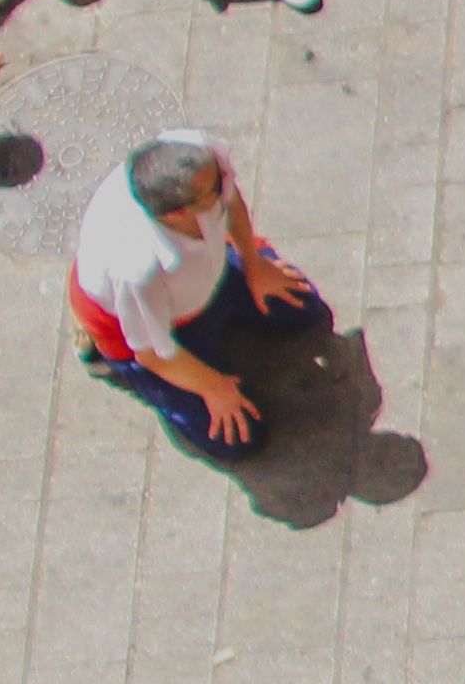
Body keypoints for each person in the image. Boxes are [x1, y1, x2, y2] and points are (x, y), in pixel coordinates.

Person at [71, 133, 335, 455]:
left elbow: (231, 199)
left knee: (304, 308)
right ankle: (106, 357)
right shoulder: (137, 269)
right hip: (153, 330)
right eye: (214, 188)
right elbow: (153, 353)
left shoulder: (196, 156)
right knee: (238, 439)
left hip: (208, 278)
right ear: (177, 214)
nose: (226, 180)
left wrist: (254, 265)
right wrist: (214, 387)